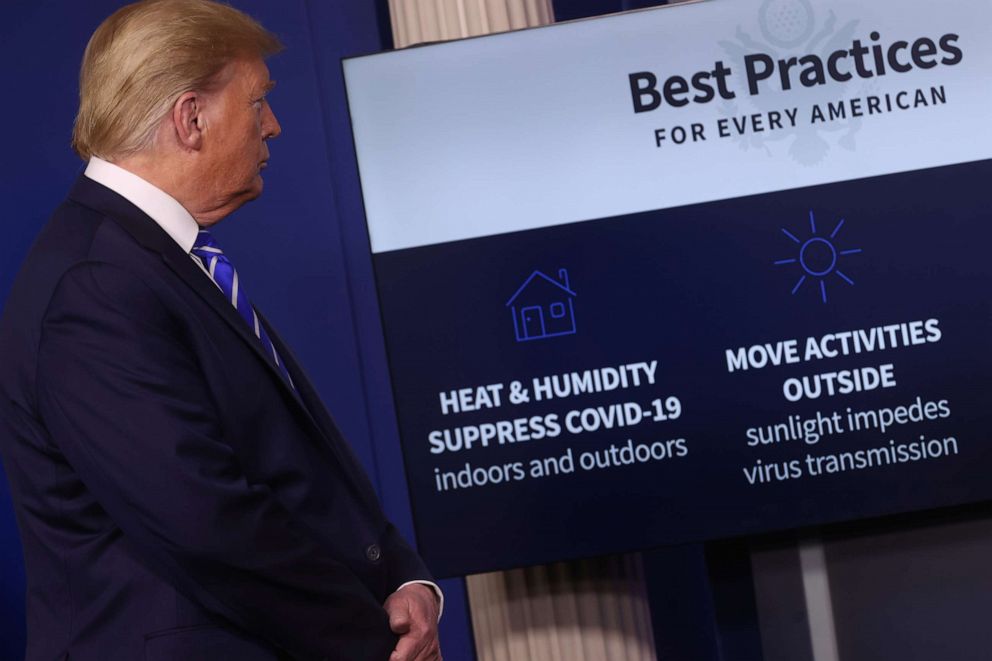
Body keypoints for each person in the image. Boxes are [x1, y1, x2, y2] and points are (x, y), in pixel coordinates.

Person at [0, 1, 442, 659]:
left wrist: (402, 576)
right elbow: (207, 522)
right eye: (258, 102)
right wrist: (372, 638)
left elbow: (292, 467)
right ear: (191, 117)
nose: (274, 125)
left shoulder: (152, 258)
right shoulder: (93, 284)